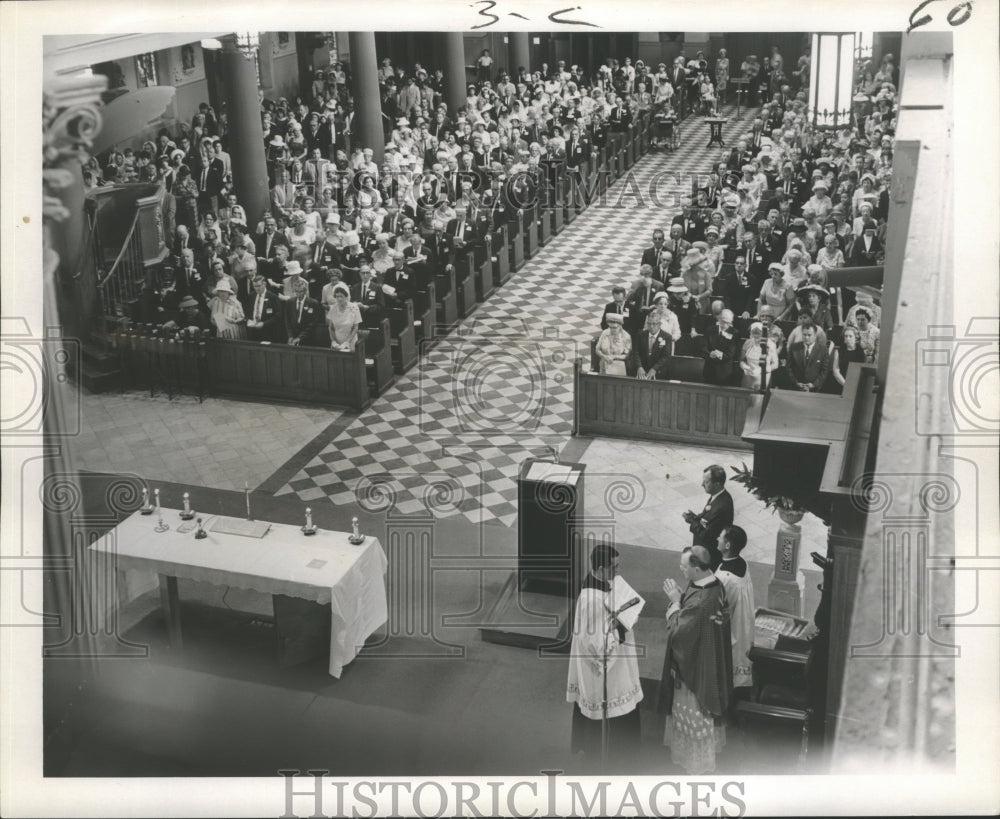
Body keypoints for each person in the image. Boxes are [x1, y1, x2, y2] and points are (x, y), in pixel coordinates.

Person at [657, 545, 732, 775]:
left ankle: (694, 762)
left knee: (694, 710)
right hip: (709, 657)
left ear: (698, 568)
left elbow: (679, 633)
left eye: (684, 566)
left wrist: (675, 601)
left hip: (696, 667)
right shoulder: (714, 584)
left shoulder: (701, 603)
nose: (681, 569)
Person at [567, 544, 643, 770]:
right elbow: (593, 645)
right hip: (604, 673)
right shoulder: (591, 600)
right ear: (600, 568)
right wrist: (623, 626)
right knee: (611, 711)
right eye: (614, 567)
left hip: (618, 661)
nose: (618, 572)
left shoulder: (602, 583)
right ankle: (608, 757)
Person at [715, 526, 755, 693]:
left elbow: (719, 608)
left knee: (730, 667)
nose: (717, 538)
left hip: (733, 628)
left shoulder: (725, 578)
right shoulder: (742, 563)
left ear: (728, 545)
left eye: (721, 537)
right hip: (744, 624)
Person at [682, 465, 734, 569]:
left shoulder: (722, 506)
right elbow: (708, 520)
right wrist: (695, 518)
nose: (702, 484)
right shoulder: (717, 497)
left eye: (706, 482)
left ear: (717, 484)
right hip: (704, 552)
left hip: (709, 557)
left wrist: (692, 522)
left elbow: (707, 535)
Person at [787, 320, 830, 392]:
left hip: (815, 390)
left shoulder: (823, 350)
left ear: (815, 335)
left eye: (809, 335)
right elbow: (789, 367)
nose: (806, 337)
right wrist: (796, 382)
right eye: (804, 334)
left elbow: (824, 371)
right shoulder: (794, 348)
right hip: (795, 389)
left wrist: (814, 385)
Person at [739, 321, 779, 390]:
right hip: (748, 377)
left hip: (763, 378)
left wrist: (761, 370)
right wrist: (745, 367)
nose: (755, 336)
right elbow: (741, 360)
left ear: (763, 333)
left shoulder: (771, 345)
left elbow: (775, 365)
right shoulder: (747, 343)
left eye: (758, 333)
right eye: (753, 333)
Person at [704, 308, 739, 386]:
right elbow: (703, 347)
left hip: (724, 372)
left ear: (731, 322)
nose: (725, 325)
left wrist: (720, 355)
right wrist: (709, 354)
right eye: (723, 322)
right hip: (709, 369)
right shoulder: (710, 330)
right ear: (719, 319)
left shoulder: (735, 333)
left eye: (728, 323)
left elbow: (731, 353)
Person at [633, 311, 673, 380]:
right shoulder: (640, 335)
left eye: (654, 324)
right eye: (649, 323)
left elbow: (666, 356)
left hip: (659, 372)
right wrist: (639, 367)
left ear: (660, 324)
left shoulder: (667, 337)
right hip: (642, 371)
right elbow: (635, 353)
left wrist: (654, 369)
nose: (651, 326)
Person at [325, 282, 362, 351]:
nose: (339, 299)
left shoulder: (354, 308)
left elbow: (355, 328)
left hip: (350, 342)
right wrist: (333, 341)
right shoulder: (333, 308)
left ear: (346, 296)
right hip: (336, 343)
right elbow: (331, 328)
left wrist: (347, 342)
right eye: (337, 296)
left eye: (341, 296)